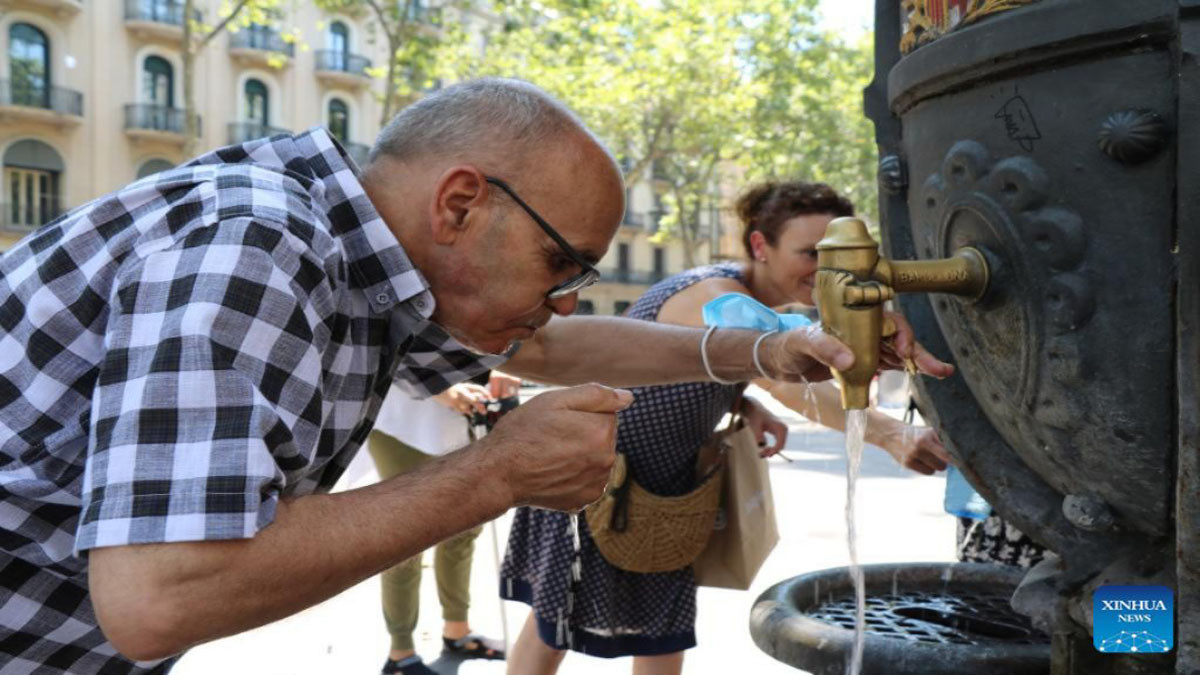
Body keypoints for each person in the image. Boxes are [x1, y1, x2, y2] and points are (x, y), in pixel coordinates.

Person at [0, 78, 950, 675]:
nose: (569, 299)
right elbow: (159, 595)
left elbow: (543, 351)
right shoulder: (259, 243)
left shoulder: (360, 258)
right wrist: (495, 474)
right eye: (562, 266)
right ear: (461, 202)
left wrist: (752, 352)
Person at [500, 180, 952, 675]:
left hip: (666, 494)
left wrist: (744, 405)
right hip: (596, 480)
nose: (826, 272)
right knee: (553, 631)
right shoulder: (712, 294)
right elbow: (776, 369)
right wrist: (891, 434)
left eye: (839, 260)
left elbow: (713, 368)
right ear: (761, 245)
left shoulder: (752, 303)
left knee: (661, 634)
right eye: (810, 254)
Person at [369, 371, 521, 675]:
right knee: (405, 544)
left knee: (463, 532)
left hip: (463, 421)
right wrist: (440, 389)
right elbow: (385, 337)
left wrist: (502, 371)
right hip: (406, 424)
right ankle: (401, 653)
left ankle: (457, 631)